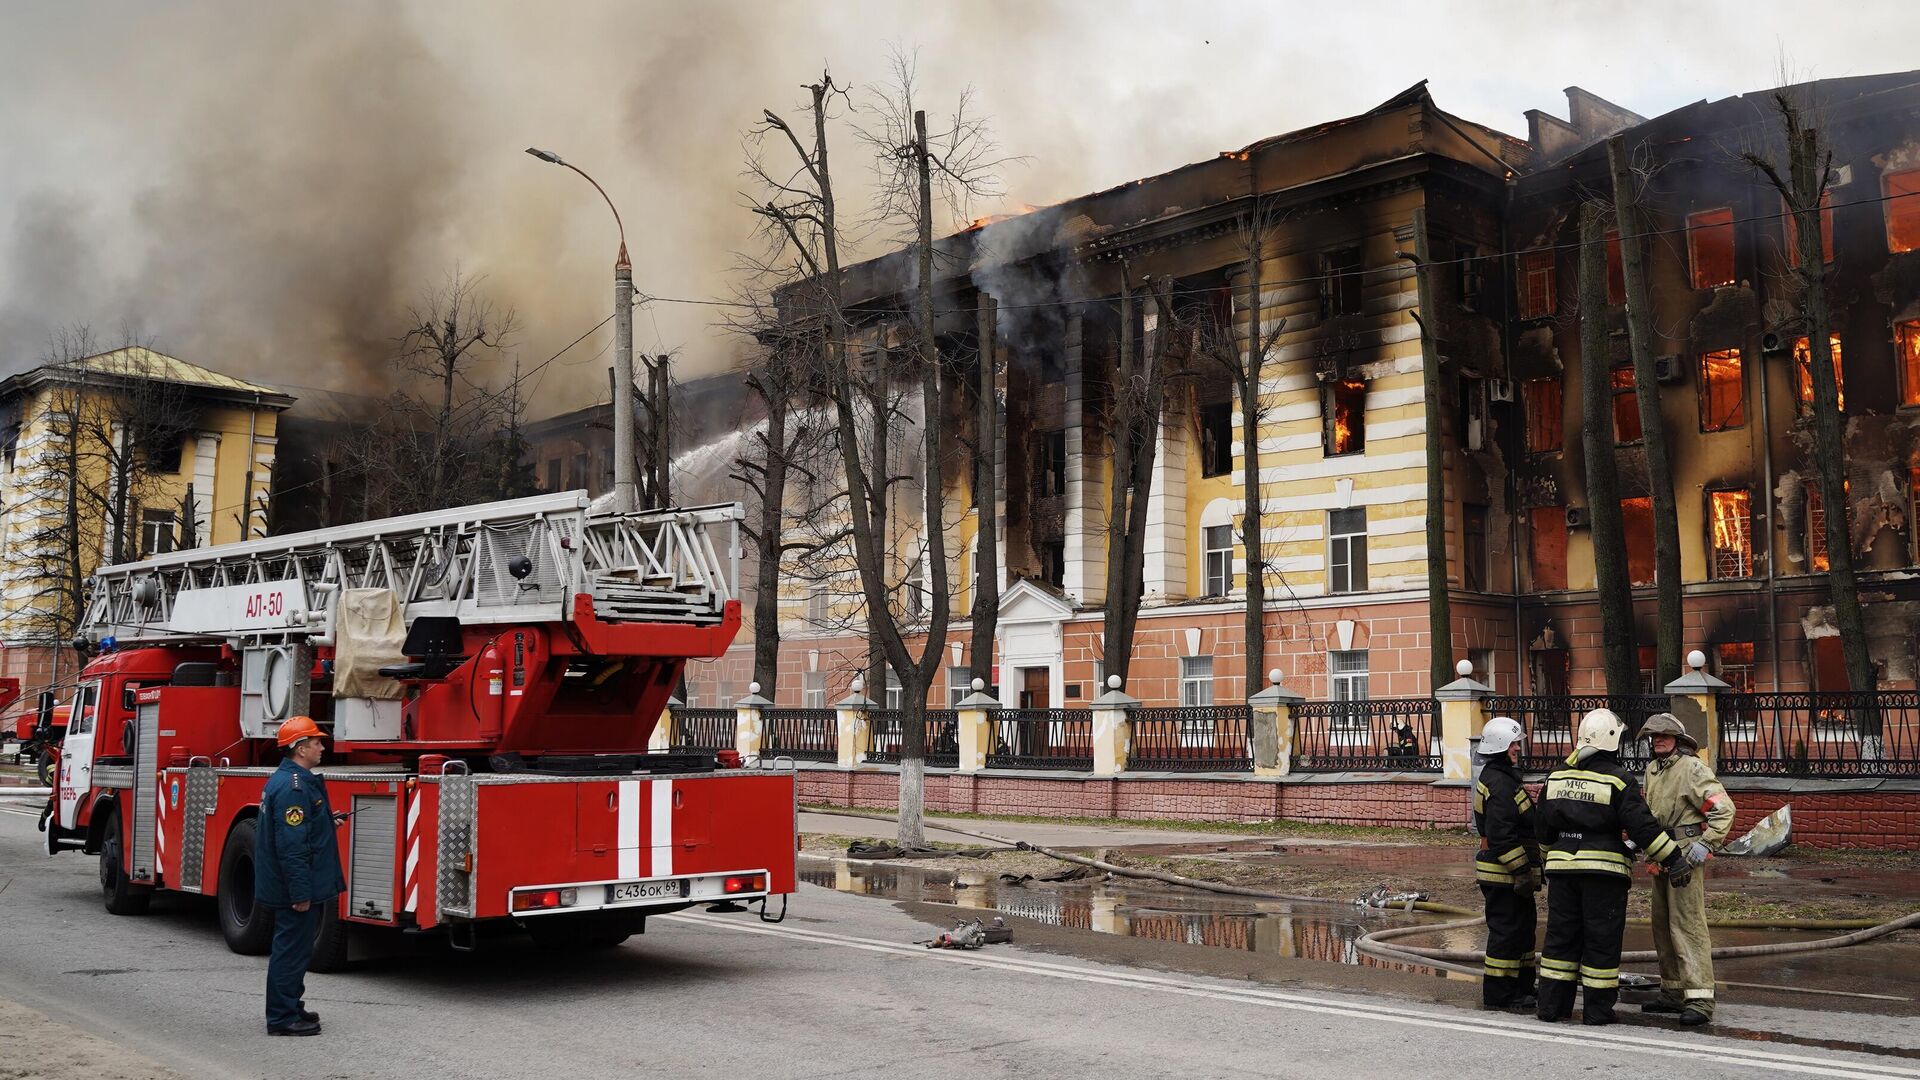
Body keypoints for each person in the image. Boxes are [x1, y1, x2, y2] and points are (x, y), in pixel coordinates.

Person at [1535, 708, 1689, 1026]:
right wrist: (1673, 859)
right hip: (1603, 876)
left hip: (1562, 873)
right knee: (1600, 941)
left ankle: (1551, 1007)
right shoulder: (1618, 780)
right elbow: (1641, 828)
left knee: (1560, 939)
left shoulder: (1556, 776)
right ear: (1611, 741)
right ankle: (1597, 1011)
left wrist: (1553, 858)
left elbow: (1542, 830)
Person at [1638, 712, 1735, 1026]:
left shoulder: (1692, 768)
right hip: (1660, 854)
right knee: (1663, 925)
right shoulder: (1652, 770)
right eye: (1654, 736)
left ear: (1678, 740)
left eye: (1664, 735)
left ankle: (1700, 1000)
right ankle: (1674, 993)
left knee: (1687, 925)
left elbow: (1723, 809)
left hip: (1686, 855)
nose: (1659, 740)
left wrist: (1707, 843)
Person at [256, 715, 347, 1037]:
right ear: (300, 748)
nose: (322, 747)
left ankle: (291, 1006)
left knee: (296, 949)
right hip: (292, 889)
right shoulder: (294, 788)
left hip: (291, 885)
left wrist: (324, 822)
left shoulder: (290, 781)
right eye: (316, 742)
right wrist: (300, 893)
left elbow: (300, 832)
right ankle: (282, 1018)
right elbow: (291, 848)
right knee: (291, 951)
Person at [1472, 715, 1540, 1010]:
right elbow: (1501, 835)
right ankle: (1500, 995)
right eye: (1514, 743)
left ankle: (1522, 987)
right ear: (1501, 746)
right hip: (1503, 875)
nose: (1517, 748)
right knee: (1507, 932)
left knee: (1522, 930)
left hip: (1510, 875)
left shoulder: (1503, 778)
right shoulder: (1499, 783)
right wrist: (1522, 871)